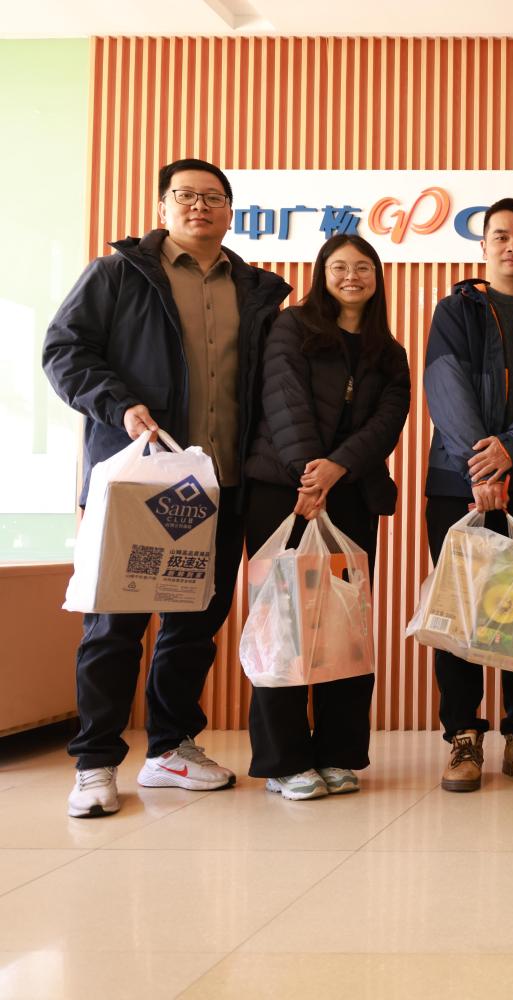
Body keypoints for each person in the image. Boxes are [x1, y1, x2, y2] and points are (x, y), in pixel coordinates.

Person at [44, 158, 291, 818]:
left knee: (194, 626)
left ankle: (170, 749)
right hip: (139, 481)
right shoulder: (117, 275)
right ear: (162, 208)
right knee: (115, 625)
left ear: (230, 211)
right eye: (185, 195)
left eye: (213, 197)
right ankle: (95, 762)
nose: (199, 206)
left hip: (221, 485)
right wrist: (119, 405)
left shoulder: (257, 291)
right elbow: (65, 351)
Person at [242, 234, 410, 799]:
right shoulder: (292, 326)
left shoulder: (390, 351)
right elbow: (282, 400)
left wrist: (337, 469)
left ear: (377, 277)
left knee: (344, 626)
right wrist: (310, 475)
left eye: (363, 267)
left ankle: (339, 752)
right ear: (322, 273)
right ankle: (284, 760)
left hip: (351, 495)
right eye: (339, 266)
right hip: (282, 492)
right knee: (283, 625)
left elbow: (388, 422)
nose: (351, 276)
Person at [424, 197, 513, 793]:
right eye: (501, 236)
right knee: (459, 609)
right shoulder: (455, 312)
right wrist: (481, 469)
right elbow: (444, 386)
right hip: (458, 485)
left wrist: (510, 449)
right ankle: (463, 736)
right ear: (483, 247)